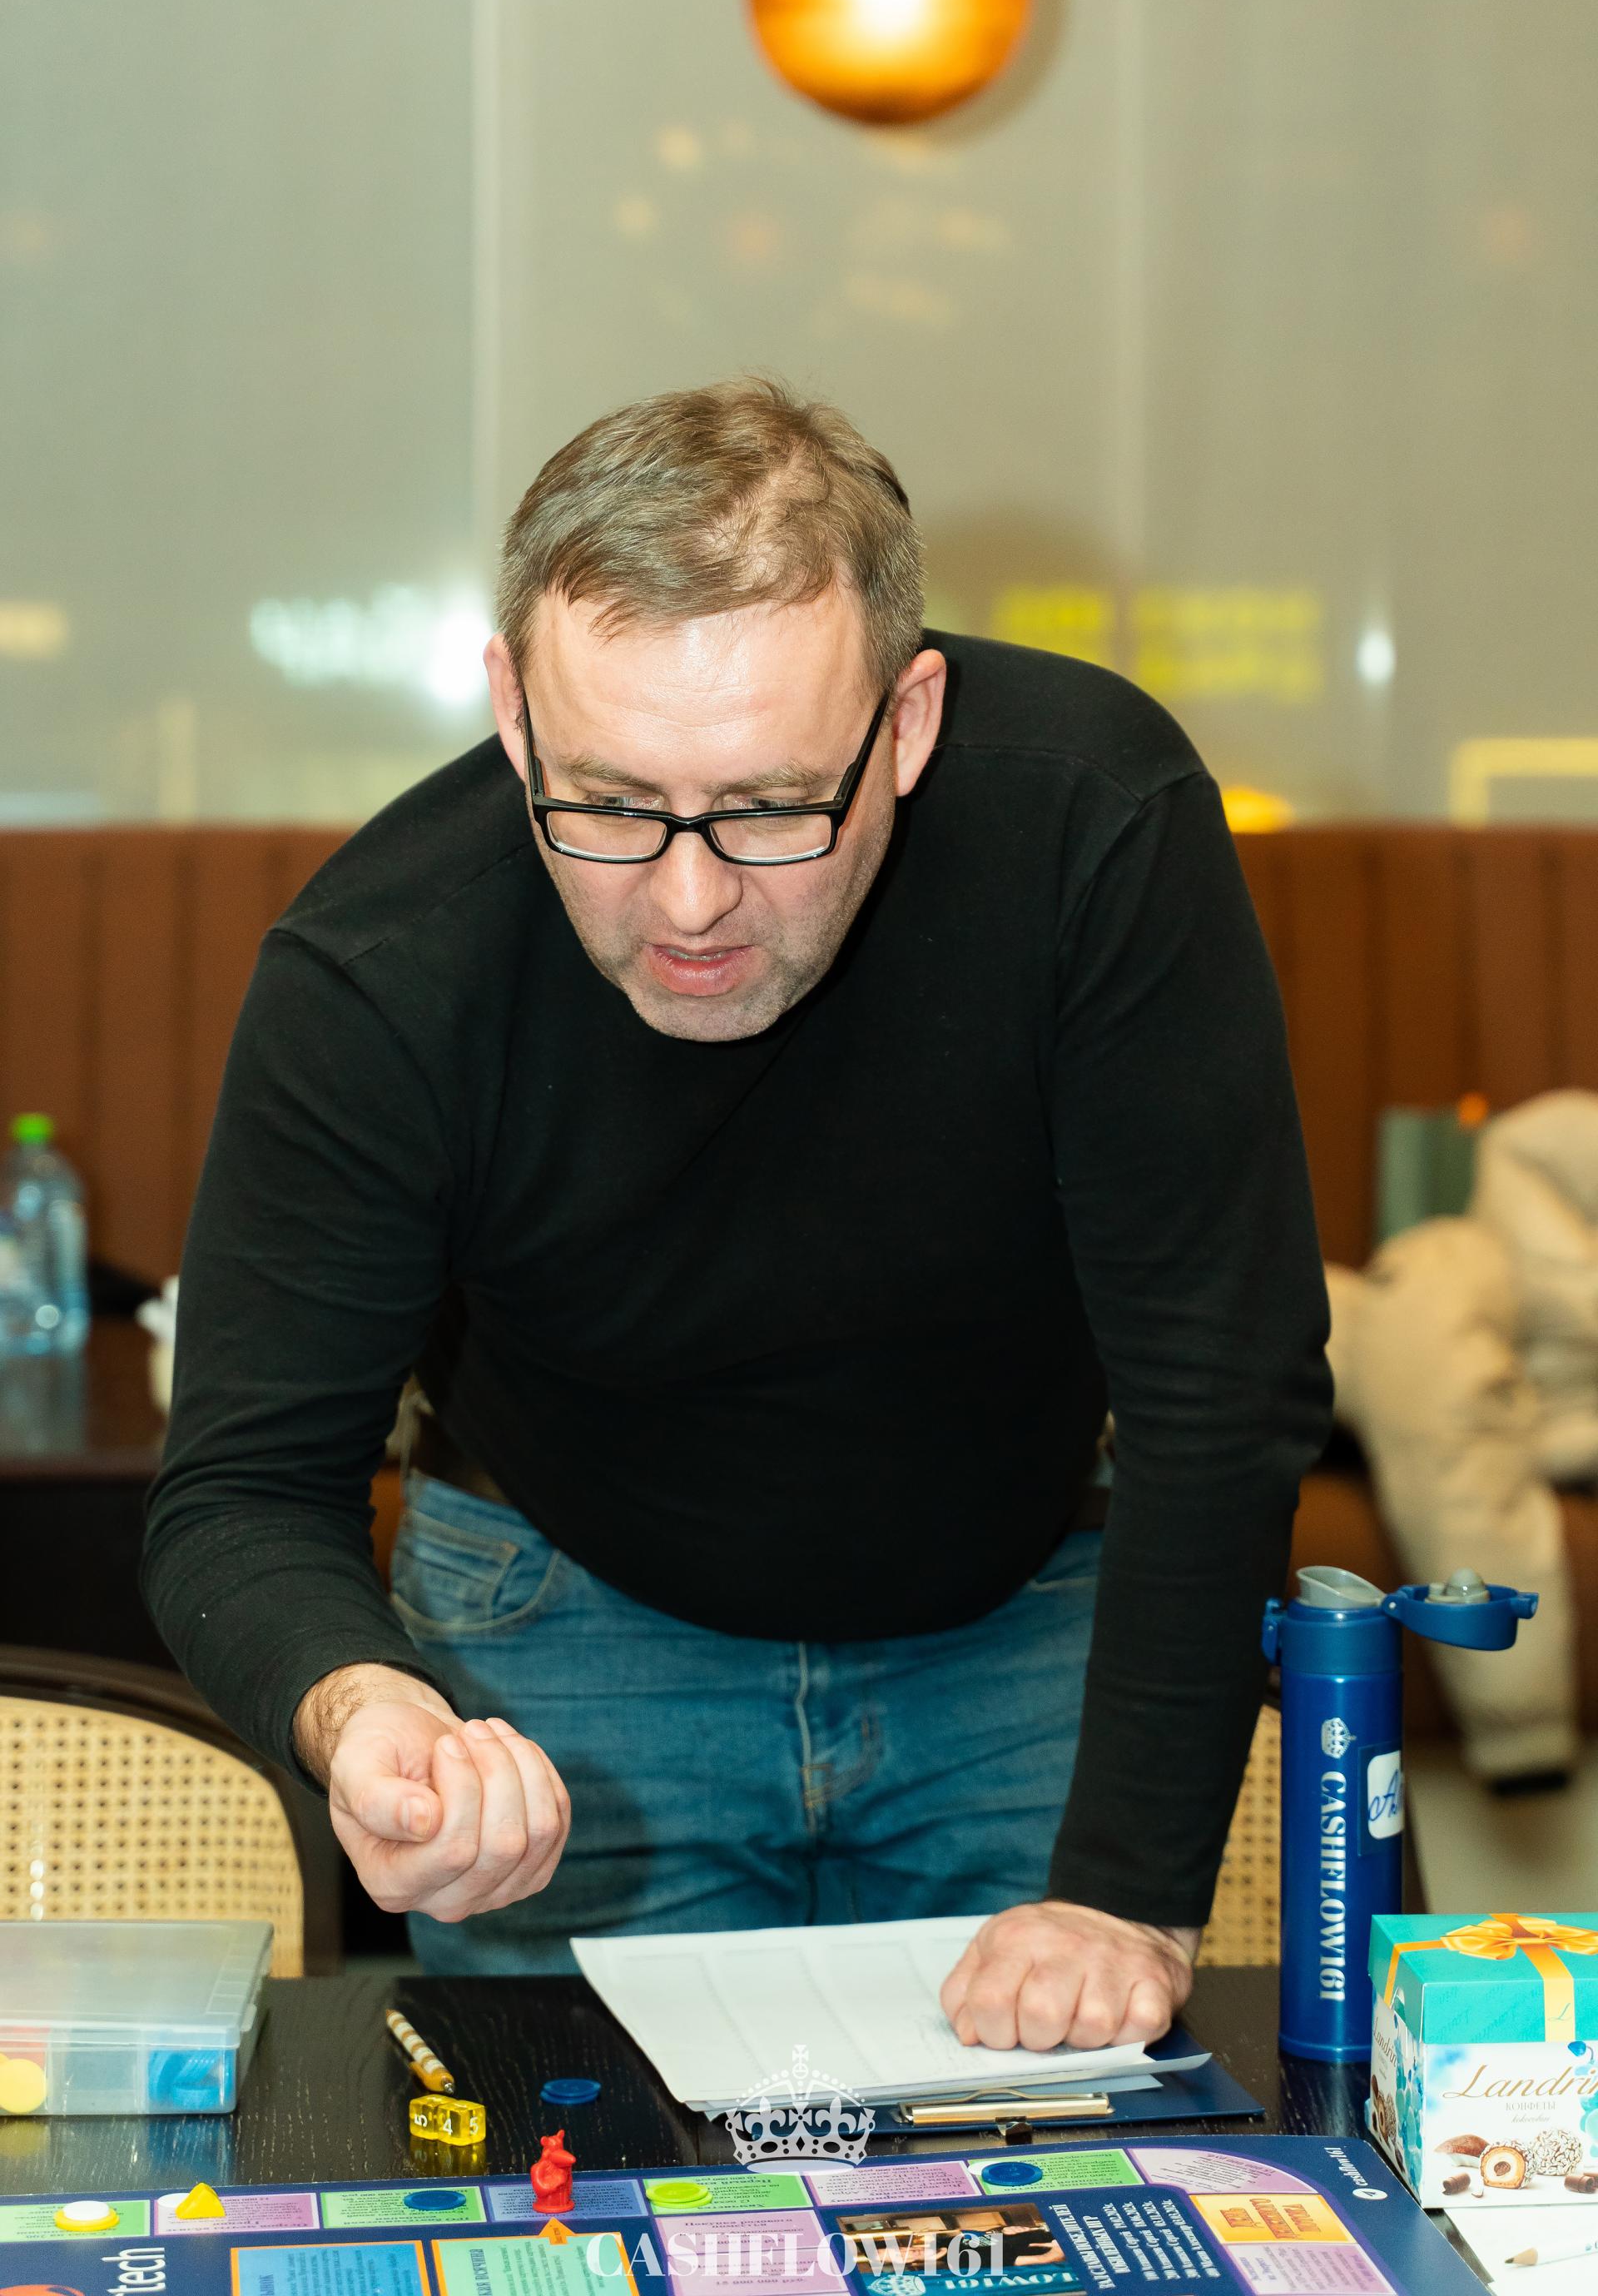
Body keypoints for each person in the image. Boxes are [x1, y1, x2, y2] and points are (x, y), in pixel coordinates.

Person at [142, 376, 1331, 2054]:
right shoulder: (384, 968)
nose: (689, 901)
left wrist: (1128, 1887)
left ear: (907, 723)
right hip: (561, 1636)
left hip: (1018, 1611)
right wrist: (366, 1706)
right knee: (578, 2166)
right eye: (611, 804)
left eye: (773, 808)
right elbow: (242, 1489)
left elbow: (1225, 1377)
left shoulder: (1091, 826)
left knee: (1047, 2171)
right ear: (512, 714)